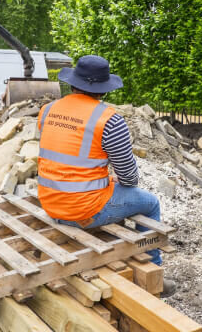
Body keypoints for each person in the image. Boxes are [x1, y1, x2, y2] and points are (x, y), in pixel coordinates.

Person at [37, 55, 176, 296]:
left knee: (110, 186)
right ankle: (154, 274)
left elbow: (65, 155)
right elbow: (130, 177)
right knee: (150, 203)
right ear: (103, 90)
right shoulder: (109, 120)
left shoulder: (47, 110)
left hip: (50, 202)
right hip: (82, 211)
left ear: (72, 83)